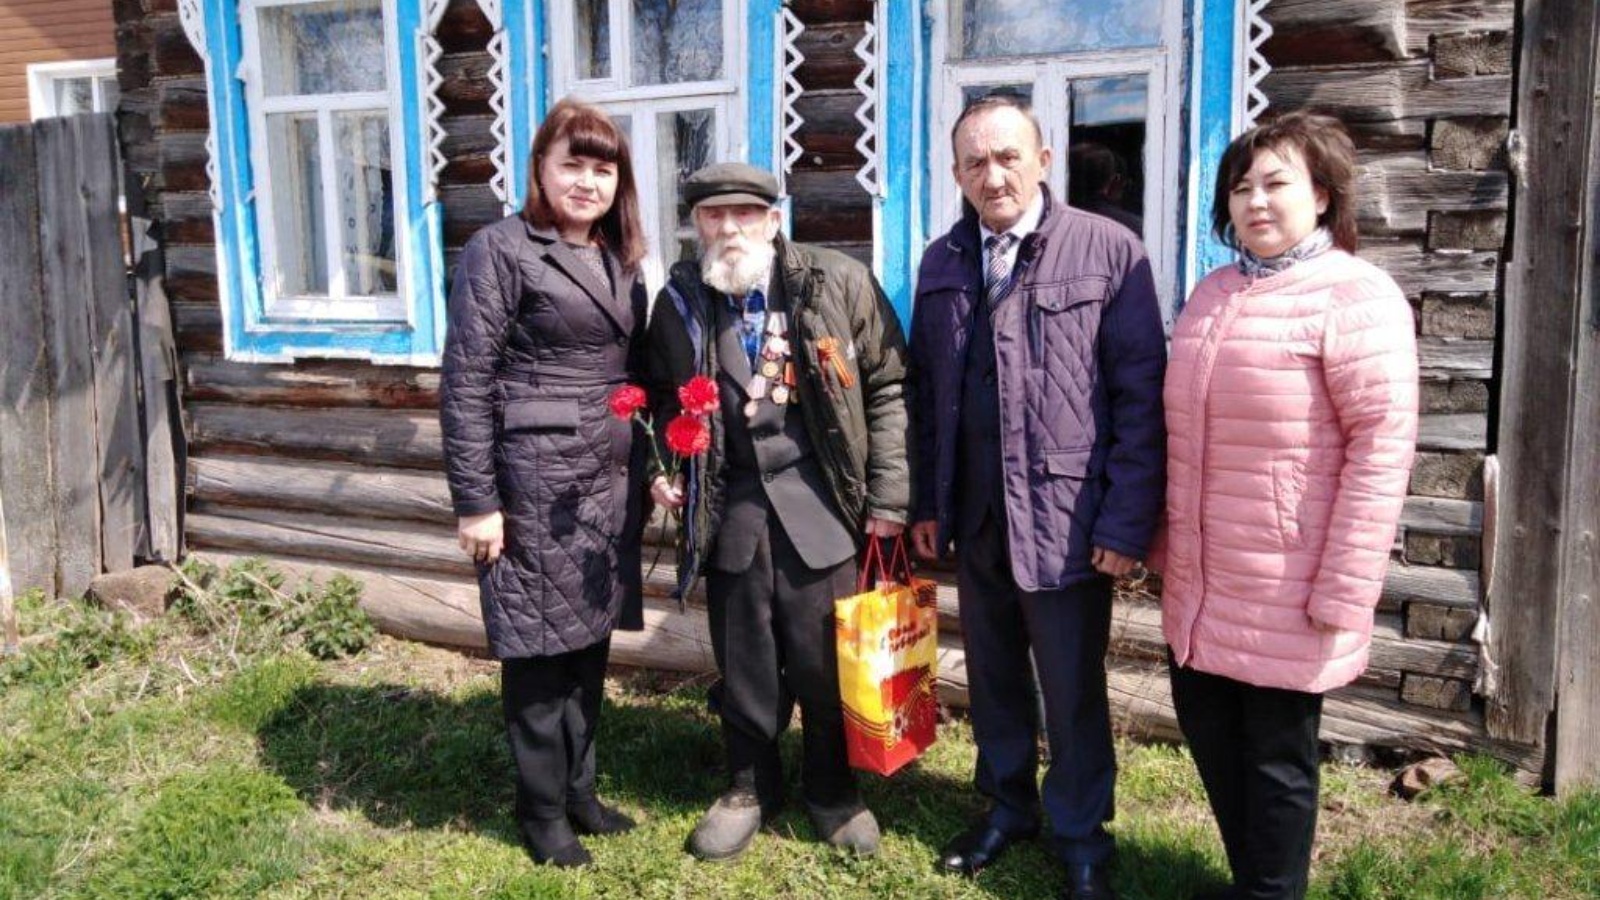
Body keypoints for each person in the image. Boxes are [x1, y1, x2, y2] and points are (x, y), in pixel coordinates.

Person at [907, 94, 1167, 900]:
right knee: (992, 676)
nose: (994, 176)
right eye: (975, 163)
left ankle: (1082, 836)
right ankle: (1008, 806)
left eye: (1008, 157)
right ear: (957, 174)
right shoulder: (943, 260)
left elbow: (1140, 399)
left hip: (1066, 516)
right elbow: (927, 394)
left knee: (1071, 686)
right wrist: (928, 505)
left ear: (1044, 161)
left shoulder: (1109, 250)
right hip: (976, 513)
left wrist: (1125, 521)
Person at [1159, 111, 1419, 900]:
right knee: (1211, 738)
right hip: (1205, 578)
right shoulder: (1214, 293)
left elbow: (1381, 450)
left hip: (1289, 582)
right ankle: (1254, 882)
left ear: (1323, 194)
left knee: (1276, 760)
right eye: (1241, 188)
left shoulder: (1355, 296)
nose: (1256, 202)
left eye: (1277, 183)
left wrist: (1344, 587)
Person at [642, 162, 911, 862]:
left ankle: (833, 791)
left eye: (744, 214)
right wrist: (665, 466)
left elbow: (887, 388)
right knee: (746, 660)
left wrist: (888, 500)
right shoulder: (680, 302)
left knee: (825, 662)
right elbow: (662, 398)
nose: (729, 228)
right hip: (732, 511)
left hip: (823, 508)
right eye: (713, 215)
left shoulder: (834, 281)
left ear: (772, 219)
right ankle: (748, 787)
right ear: (696, 224)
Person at [439, 97, 649, 868]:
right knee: (538, 655)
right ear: (539, 169)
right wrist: (477, 502)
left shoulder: (620, 258)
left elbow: (634, 372)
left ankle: (580, 792)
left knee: (588, 643)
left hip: (604, 482)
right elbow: (466, 380)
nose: (588, 182)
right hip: (532, 485)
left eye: (603, 169)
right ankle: (541, 812)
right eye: (573, 164)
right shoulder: (502, 250)